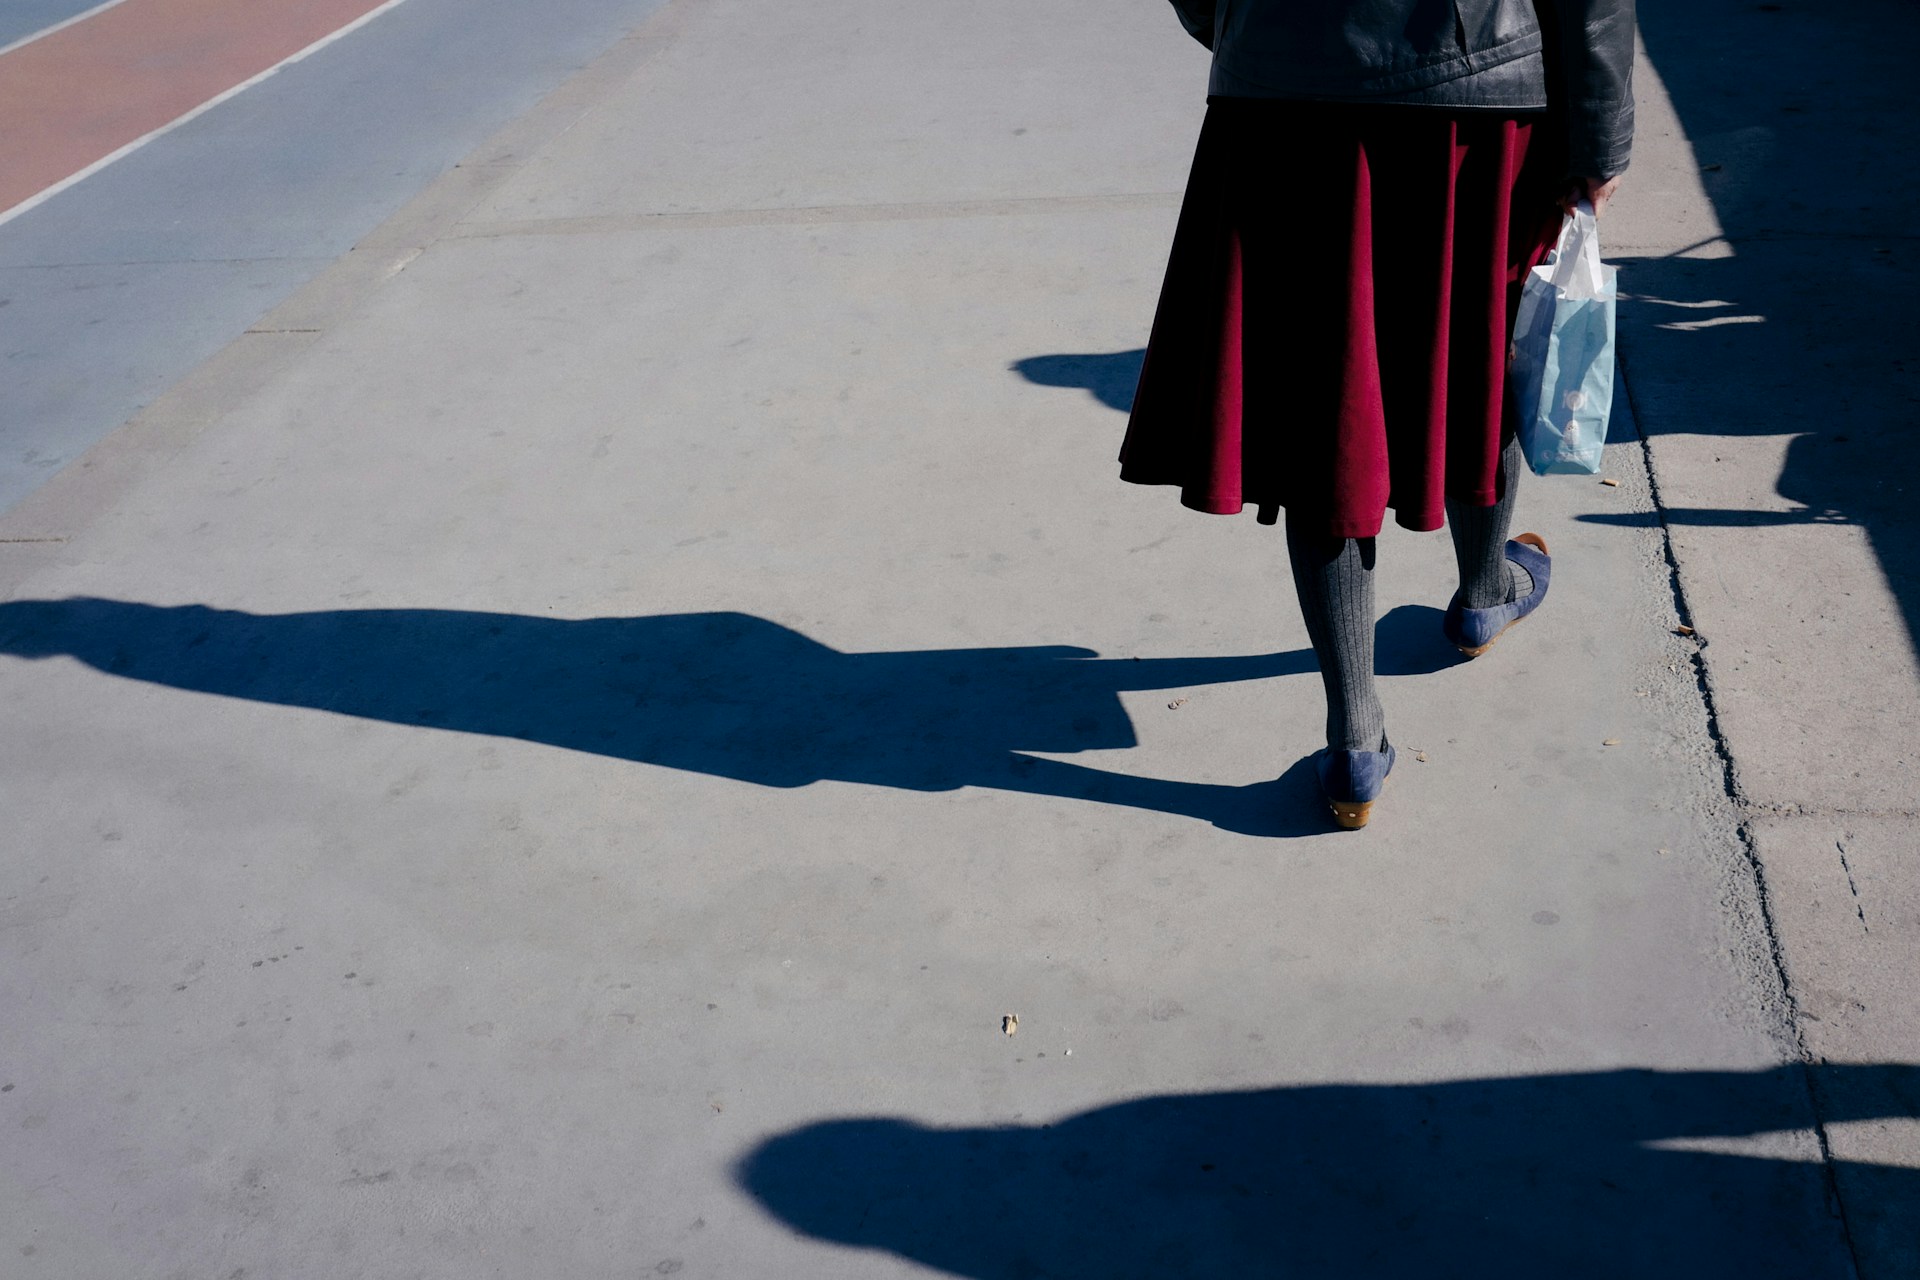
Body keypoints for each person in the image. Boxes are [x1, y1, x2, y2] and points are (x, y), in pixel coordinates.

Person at [1121, 0, 1635, 828]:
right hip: (1476, 94)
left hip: (1283, 92)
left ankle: (1356, 739)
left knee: (1322, 401)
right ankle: (1482, 590)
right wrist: (1601, 136)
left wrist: (1261, 29)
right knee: (1477, 353)